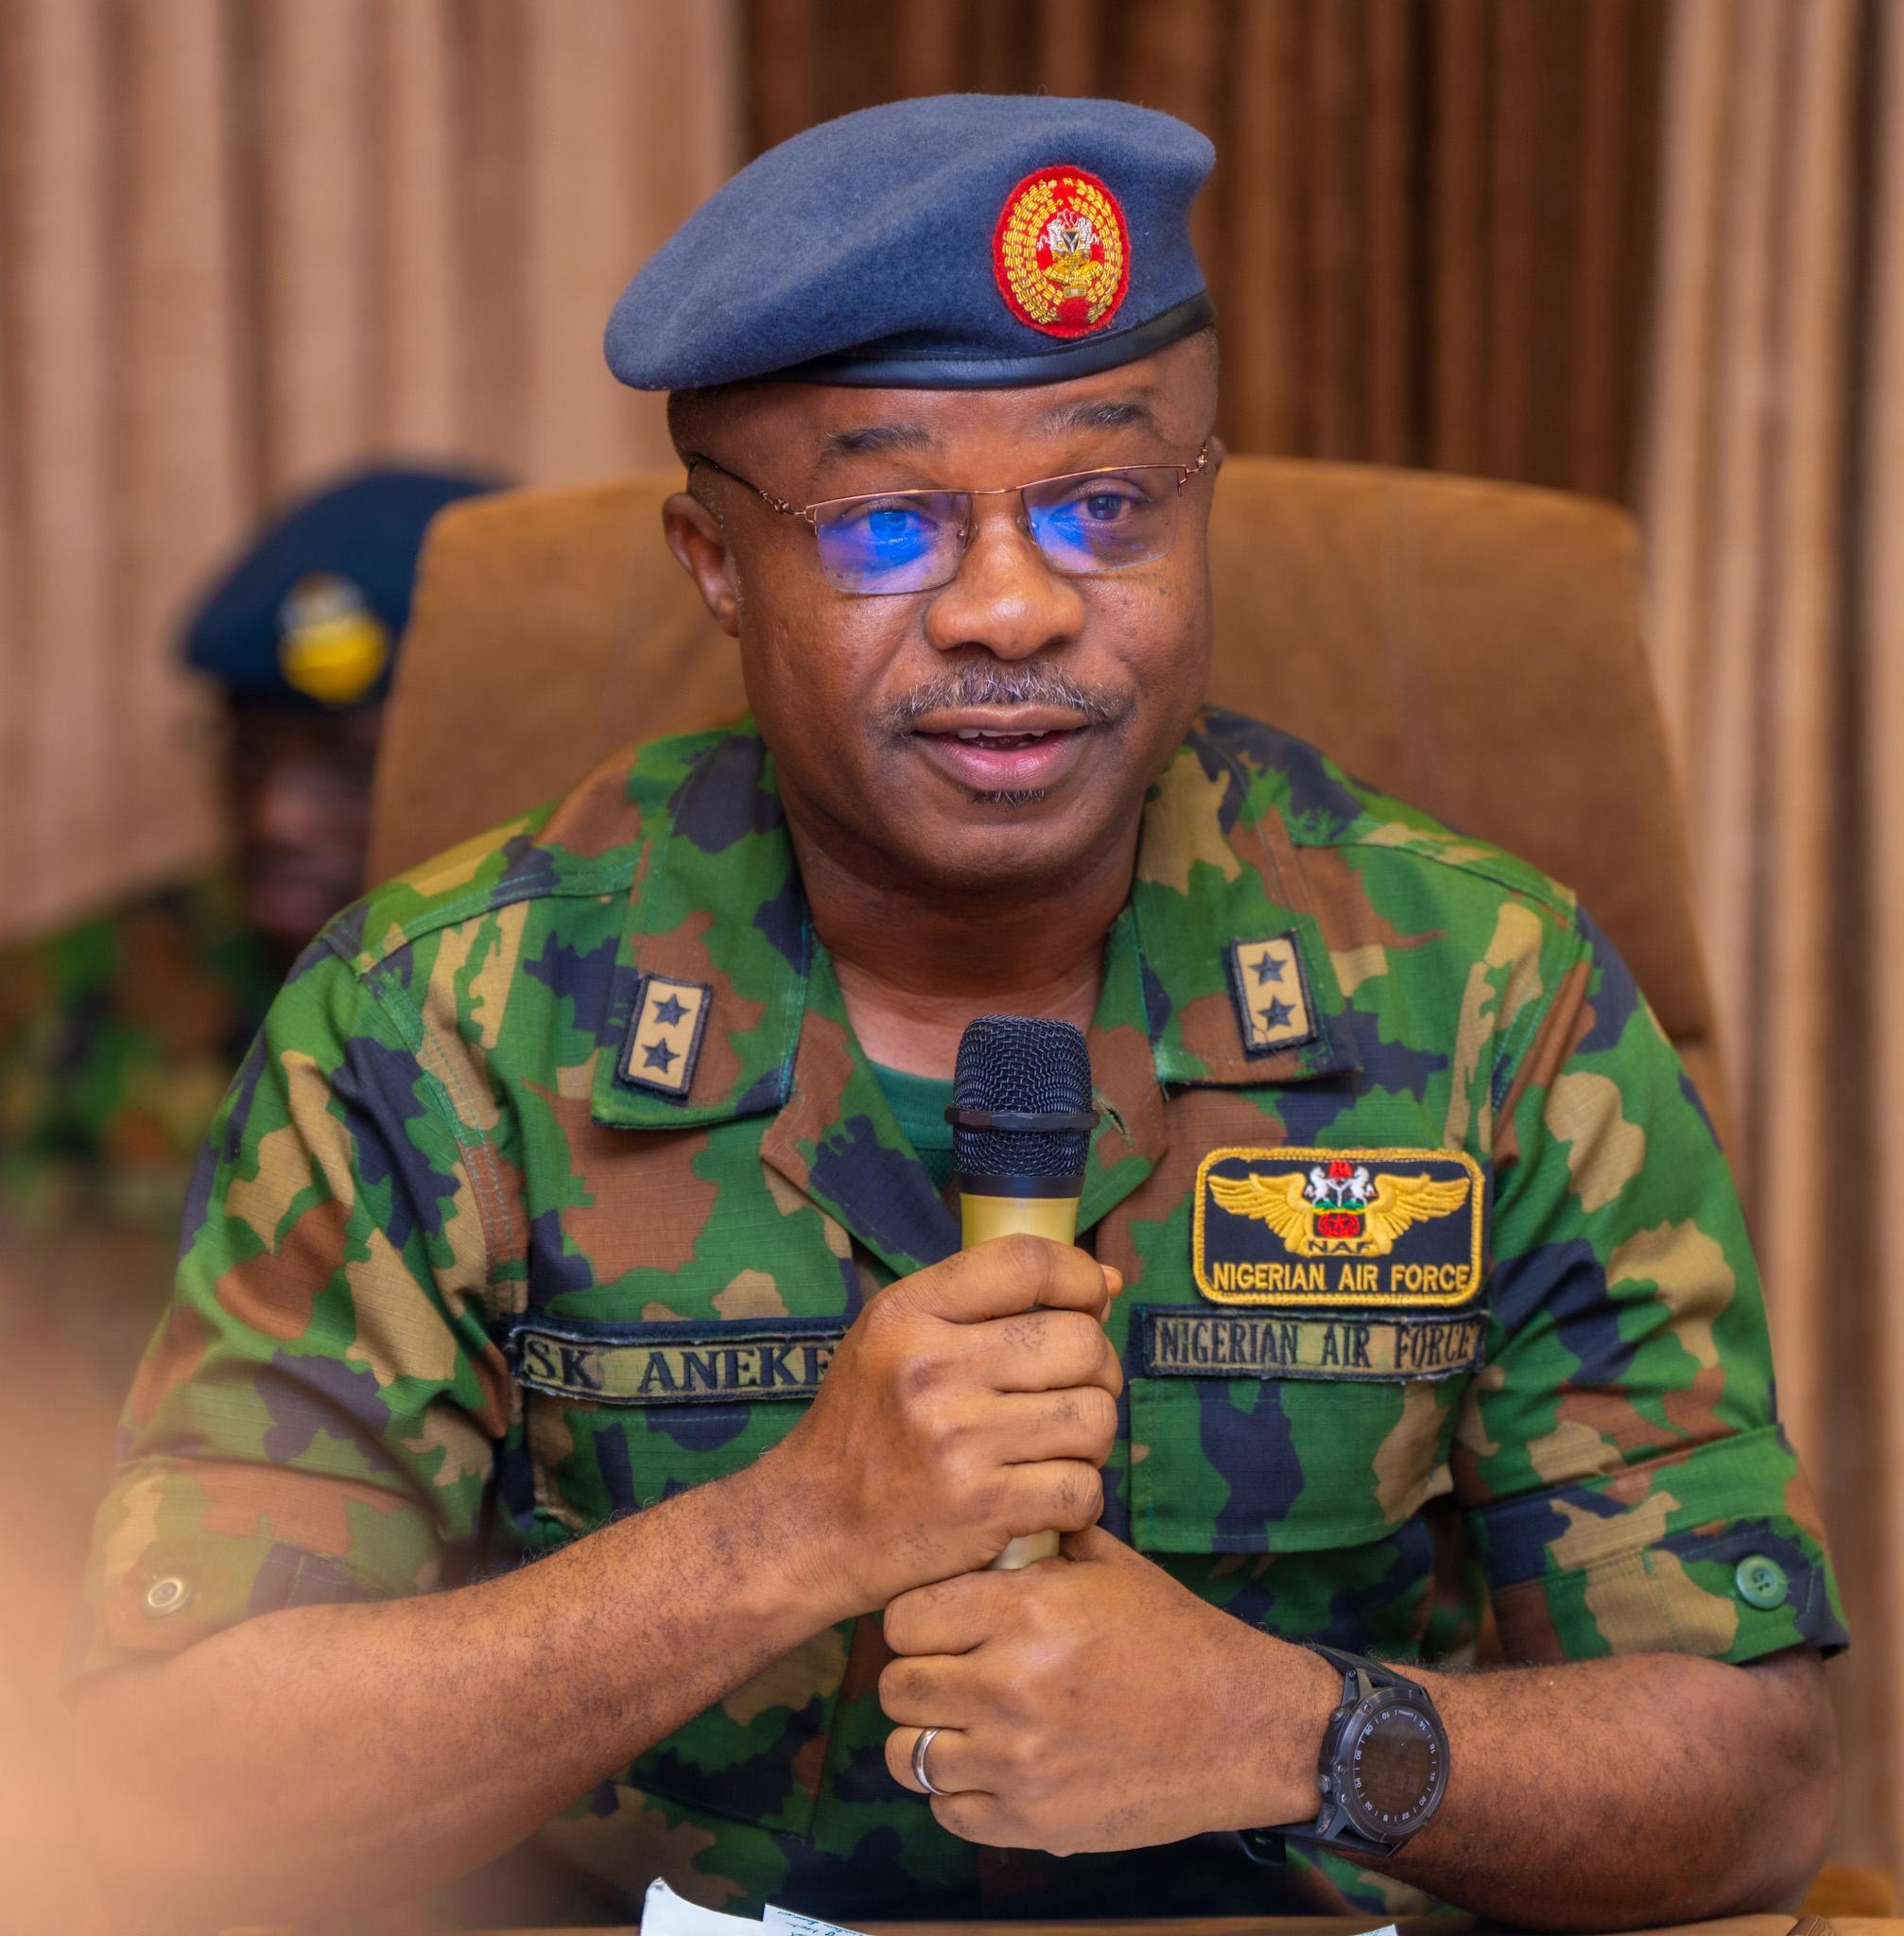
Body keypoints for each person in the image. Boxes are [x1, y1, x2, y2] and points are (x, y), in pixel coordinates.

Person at [67, 97, 1842, 1936]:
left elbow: (1752, 1780)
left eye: (1103, 505)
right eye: (886, 523)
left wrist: (1292, 1733)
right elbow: (168, 1796)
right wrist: (785, 1533)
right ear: (712, 563)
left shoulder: (1481, 992)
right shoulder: (438, 1025)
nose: (1012, 606)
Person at [0, 467, 502, 1260]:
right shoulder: (57, 1000)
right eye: (250, 753)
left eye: (352, 767)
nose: (278, 816)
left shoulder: (583, 1001)